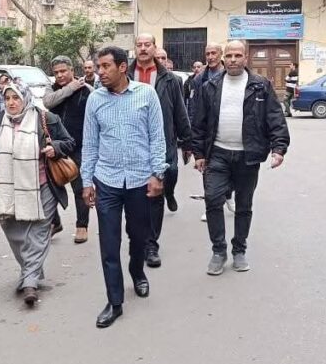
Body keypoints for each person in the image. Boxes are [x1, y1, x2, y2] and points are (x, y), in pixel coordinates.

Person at [81, 46, 167, 328]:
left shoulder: (146, 94)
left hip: (140, 179)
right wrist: (86, 181)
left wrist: (157, 174)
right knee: (109, 243)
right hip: (107, 180)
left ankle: (137, 271)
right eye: (98, 66)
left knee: (139, 236)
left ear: (121, 67)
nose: (100, 72)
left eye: (106, 66)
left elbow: (157, 137)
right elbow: (90, 143)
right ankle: (115, 301)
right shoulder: (95, 100)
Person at [191, 40, 290, 276]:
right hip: (218, 154)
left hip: (248, 156)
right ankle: (218, 251)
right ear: (223, 58)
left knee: (244, 206)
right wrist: (199, 153)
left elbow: (275, 118)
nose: (233, 60)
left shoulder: (260, 86)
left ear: (246, 58)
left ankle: (239, 250)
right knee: (213, 200)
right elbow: (199, 122)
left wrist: (279, 148)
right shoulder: (211, 85)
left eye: (238, 55)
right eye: (229, 56)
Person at [0, 81, 75, 306]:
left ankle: (29, 282)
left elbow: (69, 142)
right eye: (7, 98)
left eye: (16, 98)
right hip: (7, 187)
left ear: (26, 99)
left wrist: (55, 148)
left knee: (38, 233)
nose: (11, 103)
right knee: (12, 228)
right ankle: (31, 270)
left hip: (43, 185)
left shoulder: (45, 118)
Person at [131, 34, 191, 268]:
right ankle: (138, 238)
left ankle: (151, 245)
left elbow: (179, 111)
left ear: (155, 48)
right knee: (136, 195)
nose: (143, 48)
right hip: (132, 144)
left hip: (163, 141)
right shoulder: (125, 75)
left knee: (156, 193)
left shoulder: (170, 79)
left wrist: (188, 142)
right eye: (139, 45)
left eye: (147, 45)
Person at [43, 55, 93, 244]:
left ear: (72, 70)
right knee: (49, 186)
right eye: (56, 72)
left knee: (80, 188)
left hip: (79, 146)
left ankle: (82, 226)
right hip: (56, 146)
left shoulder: (87, 90)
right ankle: (54, 222)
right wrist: (70, 88)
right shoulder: (52, 89)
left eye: (63, 71)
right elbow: (48, 103)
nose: (60, 75)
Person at [190, 43, 235, 221]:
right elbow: (194, 108)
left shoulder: (231, 74)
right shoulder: (199, 79)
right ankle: (210, 207)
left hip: (228, 131)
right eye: (207, 54)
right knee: (208, 172)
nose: (210, 57)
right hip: (208, 134)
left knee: (230, 171)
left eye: (213, 53)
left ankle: (228, 196)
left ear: (221, 54)